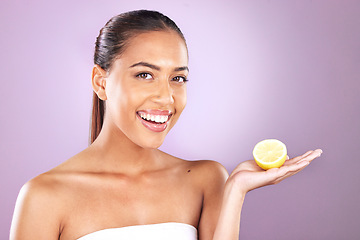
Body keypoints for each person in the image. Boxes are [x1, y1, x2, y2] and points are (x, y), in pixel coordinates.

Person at [10, 10, 322, 240]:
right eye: (145, 74)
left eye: (178, 78)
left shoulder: (206, 179)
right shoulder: (44, 197)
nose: (166, 97)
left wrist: (236, 190)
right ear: (101, 82)